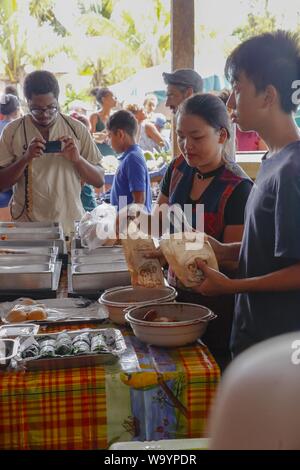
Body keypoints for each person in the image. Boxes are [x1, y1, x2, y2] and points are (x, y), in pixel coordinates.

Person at [193, 30, 300, 357]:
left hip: (278, 348)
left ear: (268, 96)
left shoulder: (293, 170)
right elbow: (271, 249)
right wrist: (224, 251)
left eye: (237, 89)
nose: (229, 103)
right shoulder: (273, 160)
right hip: (252, 333)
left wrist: (232, 286)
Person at [150, 93, 253, 369]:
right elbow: (160, 221)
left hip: (216, 309)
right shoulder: (177, 168)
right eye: (181, 136)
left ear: (221, 135)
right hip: (174, 298)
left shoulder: (238, 187)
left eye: (196, 137)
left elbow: (232, 259)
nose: (186, 146)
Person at [0, 70, 104, 235]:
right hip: (27, 228)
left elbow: (99, 180)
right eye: (37, 110)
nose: (45, 115)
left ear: (58, 100)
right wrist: (25, 159)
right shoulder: (12, 131)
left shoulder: (76, 129)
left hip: (69, 225)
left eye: (51, 108)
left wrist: (78, 160)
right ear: (27, 103)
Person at [107, 110, 152, 213]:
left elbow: (139, 202)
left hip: (133, 227)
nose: (109, 142)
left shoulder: (133, 158)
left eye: (110, 136)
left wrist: (125, 226)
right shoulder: (129, 157)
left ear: (120, 134)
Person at [69, 111, 98, 212]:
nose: (88, 137)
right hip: (82, 204)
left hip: (86, 201)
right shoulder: (73, 153)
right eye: (87, 133)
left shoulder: (83, 151)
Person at [89, 87, 117, 156]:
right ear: (104, 100)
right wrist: (103, 134)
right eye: (112, 97)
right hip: (99, 155)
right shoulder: (95, 116)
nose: (115, 99)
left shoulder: (116, 117)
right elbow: (90, 139)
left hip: (114, 154)